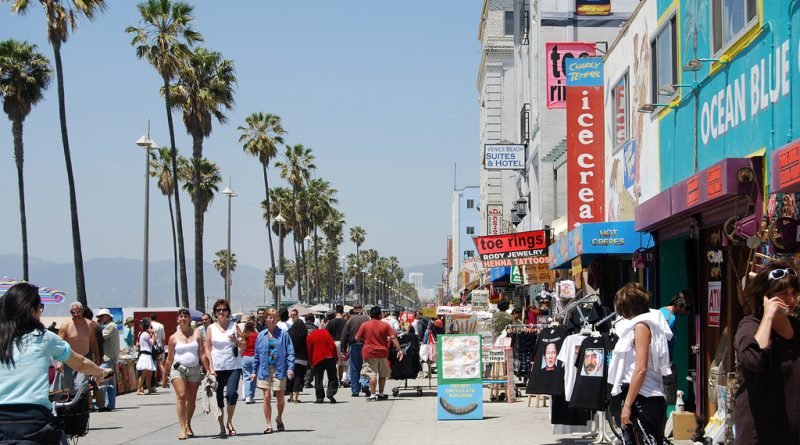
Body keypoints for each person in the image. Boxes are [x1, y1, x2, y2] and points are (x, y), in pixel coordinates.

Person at [0, 283, 110, 444]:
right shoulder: (43, 337)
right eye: (40, 307)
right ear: (31, 310)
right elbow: (80, 363)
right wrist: (101, 372)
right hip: (36, 422)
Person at [734, 261, 800, 444]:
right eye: (784, 294)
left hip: (791, 434)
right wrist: (768, 316)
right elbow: (754, 360)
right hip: (758, 434)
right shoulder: (749, 327)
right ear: (766, 297)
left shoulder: (797, 328)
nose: (791, 300)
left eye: (794, 293)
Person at [607, 283, 672, 445]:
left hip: (643, 397)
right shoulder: (650, 323)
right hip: (645, 395)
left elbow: (641, 369)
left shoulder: (641, 327)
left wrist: (627, 405)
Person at [162, 308, 205, 440]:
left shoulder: (197, 334)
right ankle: (182, 428)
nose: (183, 318)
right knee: (181, 396)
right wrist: (164, 376)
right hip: (178, 369)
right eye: (181, 316)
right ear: (177, 319)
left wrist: (209, 369)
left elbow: (202, 354)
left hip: (194, 369)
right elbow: (169, 358)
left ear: (189, 319)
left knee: (192, 399)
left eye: (185, 316)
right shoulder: (173, 338)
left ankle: (188, 424)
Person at [252, 308, 295, 435]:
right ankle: (269, 425)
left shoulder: (284, 334)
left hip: (279, 369)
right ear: (266, 319)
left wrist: (290, 368)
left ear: (277, 319)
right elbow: (256, 355)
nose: (272, 320)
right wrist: (254, 371)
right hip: (264, 369)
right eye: (270, 317)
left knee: (280, 397)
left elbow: (290, 352)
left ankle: (279, 418)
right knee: (267, 396)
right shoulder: (261, 335)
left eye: (274, 317)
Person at [204, 298, 243, 437]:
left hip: (233, 365)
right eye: (218, 310)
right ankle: (221, 426)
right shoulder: (211, 328)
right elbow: (207, 348)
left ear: (228, 312)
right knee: (219, 397)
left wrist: (236, 341)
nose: (221, 312)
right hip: (217, 367)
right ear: (215, 312)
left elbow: (244, 345)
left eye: (224, 309)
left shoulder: (234, 326)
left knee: (232, 394)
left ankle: (229, 421)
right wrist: (210, 367)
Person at [355, 305, 404, 401]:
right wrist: (399, 350)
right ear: (380, 315)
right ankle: (381, 393)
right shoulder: (385, 325)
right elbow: (393, 337)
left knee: (372, 374)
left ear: (370, 315)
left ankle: (373, 395)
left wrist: (365, 339)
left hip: (369, 353)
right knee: (382, 374)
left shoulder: (365, 325)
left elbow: (357, 338)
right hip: (383, 353)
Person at [659, 290, 692, 406]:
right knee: (668, 399)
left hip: (656, 364)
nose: (687, 313)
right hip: (664, 364)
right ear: (679, 305)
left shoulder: (660, 311)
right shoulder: (671, 319)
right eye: (686, 309)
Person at [58, 301, 99, 391]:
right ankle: (70, 400)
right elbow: (58, 344)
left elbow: (93, 341)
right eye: (73, 312)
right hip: (69, 360)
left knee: (81, 386)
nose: (76, 314)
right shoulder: (66, 325)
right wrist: (58, 361)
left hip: (83, 360)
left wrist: (97, 357)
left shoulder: (90, 324)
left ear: (82, 311)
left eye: (78, 311)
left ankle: (81, 399)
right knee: (68, 387)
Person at [341, 304, 371, 397]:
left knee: (354, 368)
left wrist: (343, 348)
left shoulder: (350, 320)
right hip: (365, 345)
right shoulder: (367, 319)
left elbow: (344, 335)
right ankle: (365, 384)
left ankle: (355, 390)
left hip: (354, 345)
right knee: (366, 366)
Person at [307, 323, 339, 403]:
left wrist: (311, 362)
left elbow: (309, 351)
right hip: (330, 357)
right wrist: (335, 357)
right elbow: (333, 345)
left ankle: (319, 397)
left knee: (318, 378)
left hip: (318, 359)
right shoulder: (326, 332)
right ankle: (331, 392)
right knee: (332, 377)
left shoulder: (309, 337)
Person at [96, 308, 120, 412]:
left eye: (102, 316)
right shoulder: (109, 326)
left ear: (108, 316)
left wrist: (96, 327)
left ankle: (103, 404)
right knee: (110, 384)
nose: (100, 318)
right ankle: (110, 404)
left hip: (107, 357)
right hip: (109, 357)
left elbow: (100, 337)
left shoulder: (111, 326)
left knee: (102, 382)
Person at [287, 315, 309, 403]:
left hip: (291, 358)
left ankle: (290, 397)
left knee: (290, 378)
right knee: (299, 377)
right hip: (302, 358)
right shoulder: (304, 335)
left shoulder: (289, 333)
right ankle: (296, 398)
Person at [136, 319, 157, 395]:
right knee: (144, 373)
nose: (151, 329)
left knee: (149, 373)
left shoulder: (144, 334)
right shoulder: (146, 334)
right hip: (145, 355)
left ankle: (149, 389)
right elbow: (153, 343)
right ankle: (139, 389)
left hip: (147, 355)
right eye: (150, 327)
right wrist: (153, 334)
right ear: (147, 328)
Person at [240, 319, 258, 404]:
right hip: (254, 357)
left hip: (245, 357)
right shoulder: (256, 335)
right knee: (253, 377)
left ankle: (247, 396)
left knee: (246, 377)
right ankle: (251, 396)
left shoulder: (244, 336)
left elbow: (241, 346)